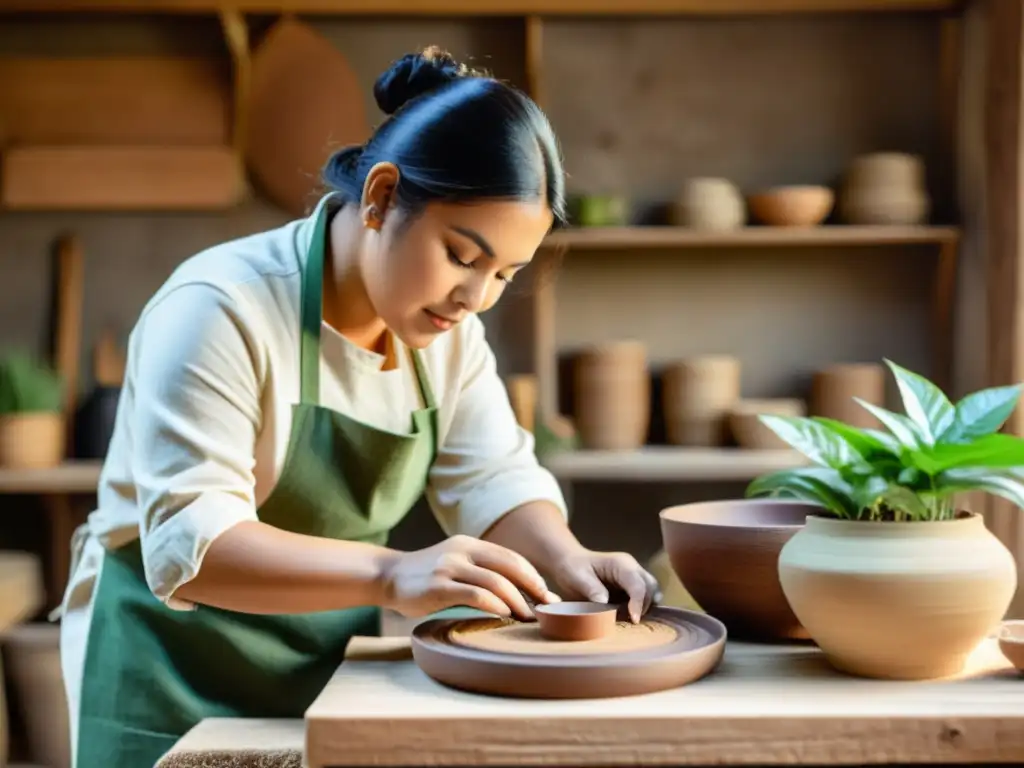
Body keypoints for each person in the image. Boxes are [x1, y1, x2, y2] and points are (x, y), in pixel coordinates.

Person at [56, 46, 660, 768]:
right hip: (164, 670)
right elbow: (195, 542)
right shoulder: (220, 308)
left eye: (506, 273)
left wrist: (570, 562)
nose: (477, 298)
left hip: (319, 662)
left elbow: (494, 480)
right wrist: (392, 574)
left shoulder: (448, 334)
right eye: (463, 256)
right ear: (379, 198)